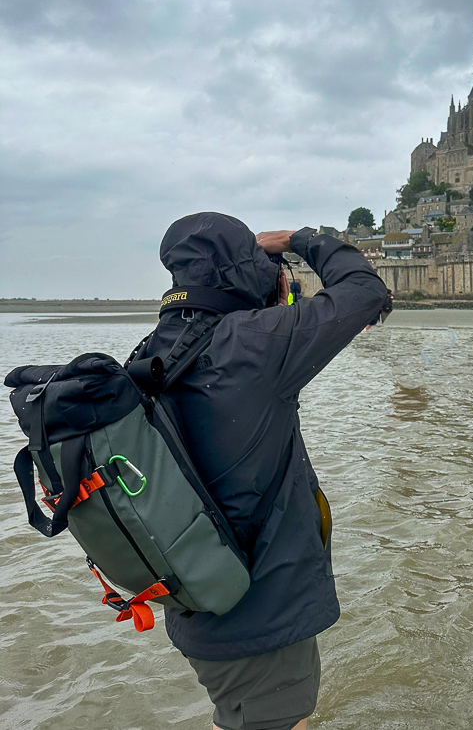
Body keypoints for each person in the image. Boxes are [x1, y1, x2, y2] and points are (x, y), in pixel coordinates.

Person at [136, 213, 389, 730]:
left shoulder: (151, 352)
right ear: (247, 271)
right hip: (259, 608)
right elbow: (364, 290)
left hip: (196, 597)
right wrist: (298, 240)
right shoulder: (254, 342)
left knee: (238, 718)